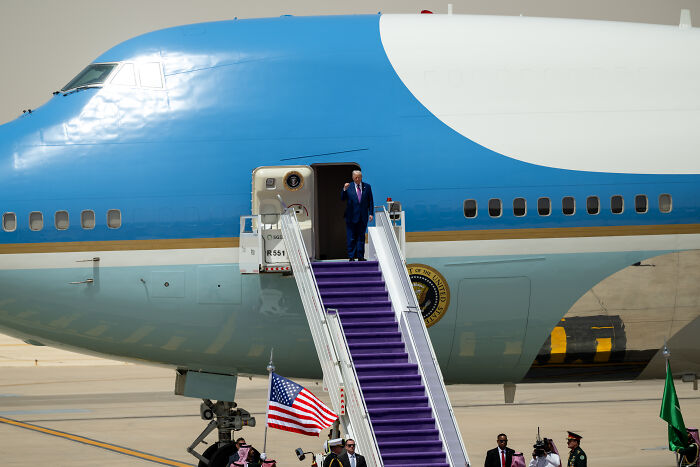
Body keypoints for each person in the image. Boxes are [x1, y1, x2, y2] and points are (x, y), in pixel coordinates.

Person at [340, 170, 373, 261]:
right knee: (351, 237)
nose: (357, 179)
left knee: (361, 237)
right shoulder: (349, 187)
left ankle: (360, 256)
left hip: (363, 216)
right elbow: (342, 198)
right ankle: (351, 257)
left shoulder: (367, 187)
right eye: (355, 177)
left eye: (359, 177)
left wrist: (371, 213)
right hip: (351, 217)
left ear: (361, 177)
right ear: (353, 177)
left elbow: (370, 201)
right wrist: (344, 189)